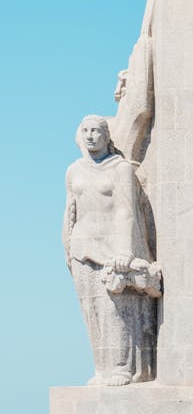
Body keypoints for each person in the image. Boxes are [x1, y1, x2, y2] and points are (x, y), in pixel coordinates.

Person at [64, 115, 159, 384]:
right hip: (82, 247)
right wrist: (68, 247)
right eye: (85, 131)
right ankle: (101, 369)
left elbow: (126, 211)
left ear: (107, 136)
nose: (90, 135)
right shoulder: (73, 171)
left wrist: (125, 251)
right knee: (91, 311)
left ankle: (121, 367)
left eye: (96, 130)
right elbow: (70, 212)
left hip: (113, 248)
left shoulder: (121, 169)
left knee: (116, 309)